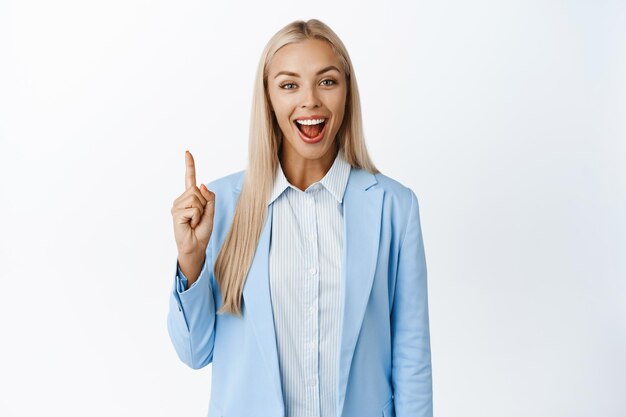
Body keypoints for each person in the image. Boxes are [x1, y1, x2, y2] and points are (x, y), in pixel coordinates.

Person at [167, 18, 432, 417]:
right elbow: (194, 352)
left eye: (327, 81)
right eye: (289, 85)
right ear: (269, 99)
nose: (310, 101)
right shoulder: (219, 205)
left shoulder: (394, 207)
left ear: (347, 92)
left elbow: (411, 357)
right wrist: (191, 259)